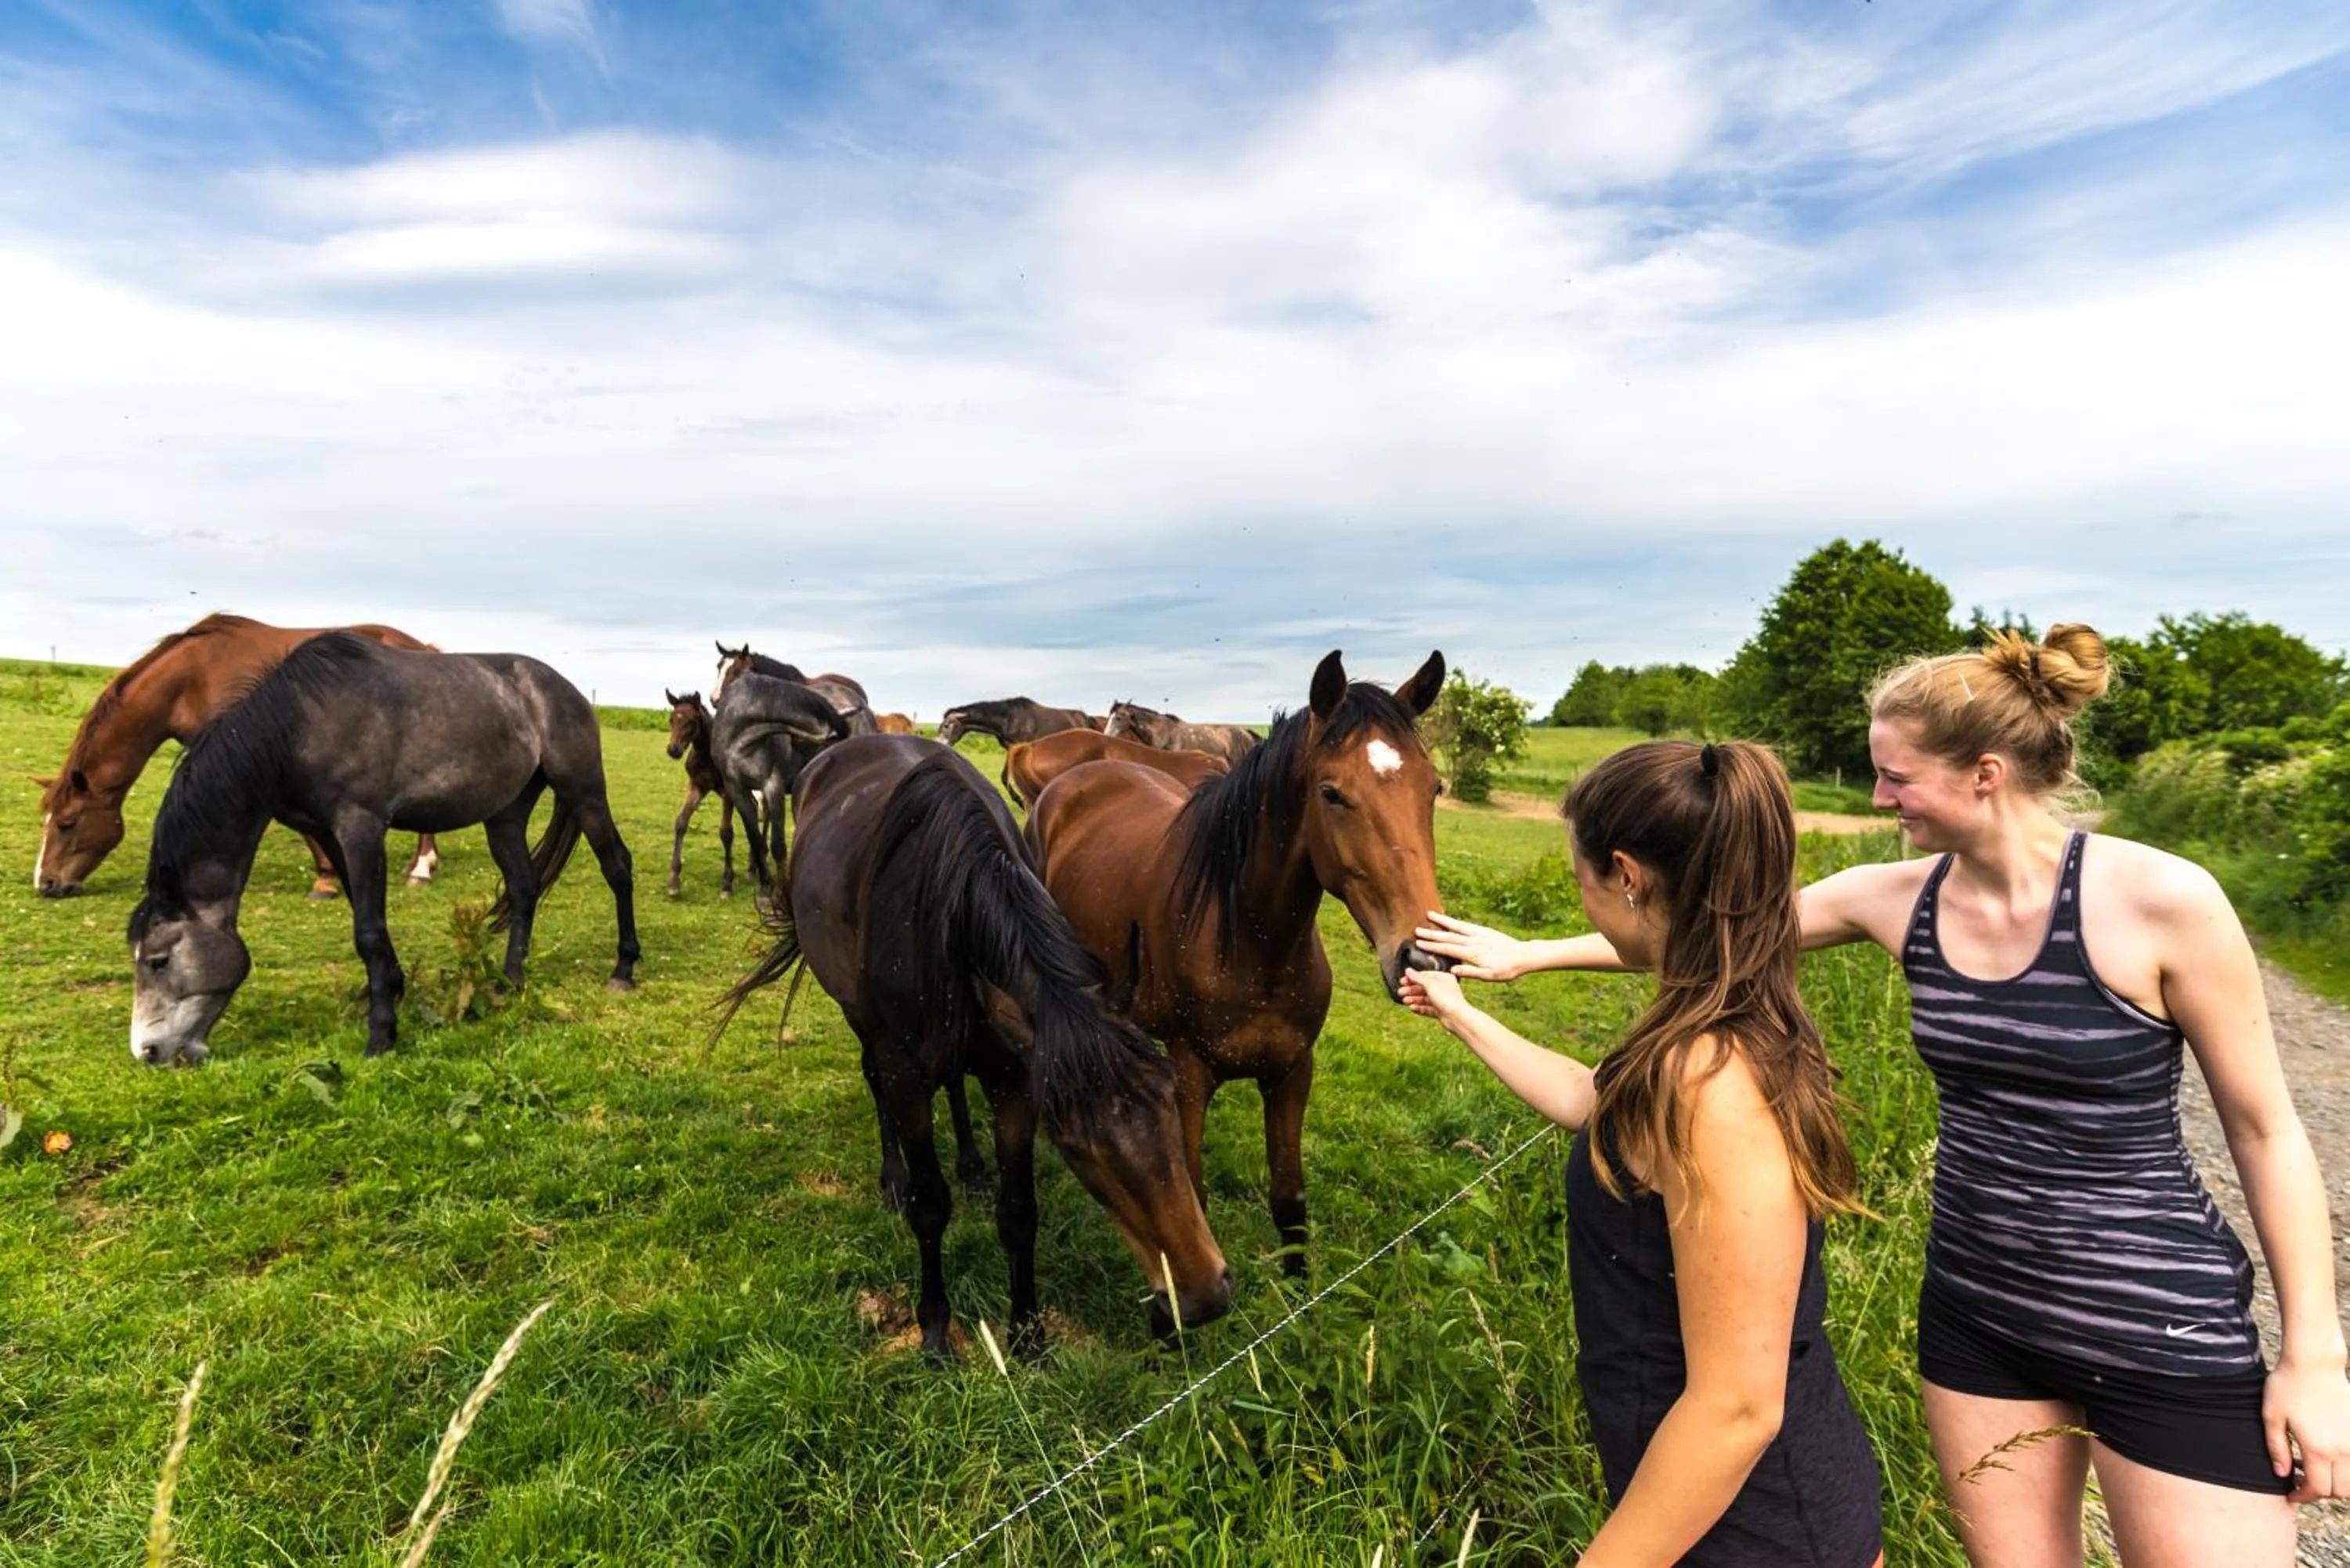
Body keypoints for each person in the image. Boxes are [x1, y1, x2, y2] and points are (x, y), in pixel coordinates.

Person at [1419, 625, 2350, 1565]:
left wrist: (2314, 1355)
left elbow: (2267, 1130)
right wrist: (1526, 956)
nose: (1877, 797)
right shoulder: (1898, 899)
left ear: (1986, 772)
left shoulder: (2165, 903)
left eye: (1897, 777)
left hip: (2157, 1320)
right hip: (1981, 1316)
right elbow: (1713, 924)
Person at [1402, 738, 1885, 1566]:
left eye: (1580, 878)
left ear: (1626, 873)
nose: (1582, 899)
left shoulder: (1711, 1080)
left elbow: (1737, 1406)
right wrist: (1460, 1013)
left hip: (1758, 1528)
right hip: (1715, 1506)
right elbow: (1602, 1109)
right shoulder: (1700, 1033)